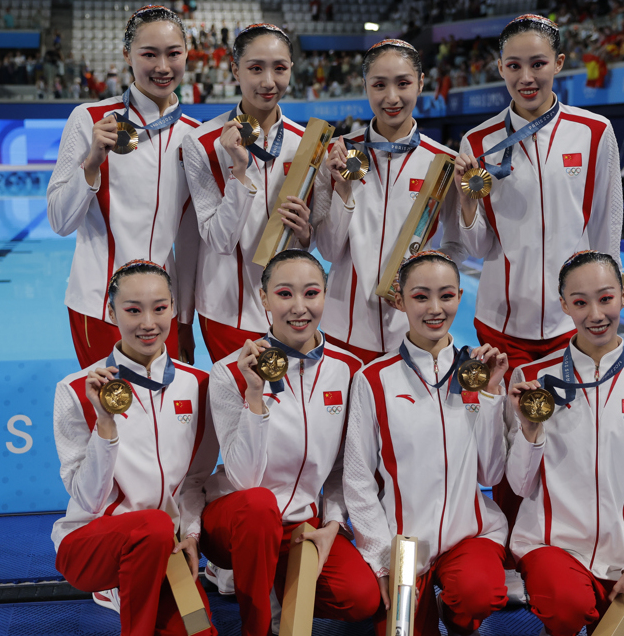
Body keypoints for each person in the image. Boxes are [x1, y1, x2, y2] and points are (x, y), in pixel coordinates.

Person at [454, 14, 622, 596]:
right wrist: (469, 195)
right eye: (515, 66)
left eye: (538, 63)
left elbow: (606, 228)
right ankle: (504, 554)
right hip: (500, 322)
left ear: (558, 64)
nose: (527, 76)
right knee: (503, 443)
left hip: (567, 325)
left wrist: (599, 310)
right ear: (500, 70)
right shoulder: (476, 143)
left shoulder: (593, 132)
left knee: (563, 442)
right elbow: (474, 245)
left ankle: (555, 548)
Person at [201, 250, 379, 636]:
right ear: (263, 299)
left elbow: (342, 469)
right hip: (239, 522)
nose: (299, 307)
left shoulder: (348, 371)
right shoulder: (229, 371)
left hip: (303, 526)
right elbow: (245, 478)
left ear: (325, 296)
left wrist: (333, 523)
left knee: (361, 598)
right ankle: (258, 623)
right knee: (260, 505)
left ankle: (277, 582)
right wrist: (254, 397)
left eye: (311, 293)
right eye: (284, 294)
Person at [505, 251, 624, 636]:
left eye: (605, 298)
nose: (595, 315)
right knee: (567, 605)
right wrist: (529, 430)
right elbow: (519, 485)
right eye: (581, 303)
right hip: (551, 547)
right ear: (564, 304)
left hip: (622, 557)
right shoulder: (532, 379)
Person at [344, 251, 511, 636]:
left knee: (478, 594)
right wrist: (383, 558)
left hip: (468, 536)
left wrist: (490, 394)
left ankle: (457, 615)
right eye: (421, 297)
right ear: (399, 300)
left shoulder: (477, 371)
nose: (435, 309)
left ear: (459, 296)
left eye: (447, 296)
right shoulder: (373, 380)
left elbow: (491, 471)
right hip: (403, 547)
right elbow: (357, 478)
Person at [51, 260, 219, 635]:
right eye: (133, 310)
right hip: (94, 546)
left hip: (167, 549)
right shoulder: (76, 390)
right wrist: (105, 424)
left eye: (160, 308)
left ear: (174, 309)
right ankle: (120, 597)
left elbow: (195, 481)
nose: (148, 323)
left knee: (199, 631)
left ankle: (145, 583)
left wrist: (190, 534)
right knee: (153, 524)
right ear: (110, 312)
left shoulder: (199, 386)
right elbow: (87, 499)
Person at [47, 6, 201, 369]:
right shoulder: (89, 119)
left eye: (173, 53)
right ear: (127, 55)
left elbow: (191, 240)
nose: (162, 66)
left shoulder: (194, 135)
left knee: (160, 421)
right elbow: (59, 221)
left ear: (186, 54)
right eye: (149, 54)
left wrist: (184, 317)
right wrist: (91, 164)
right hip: (100, 305)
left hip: (163, 312)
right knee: (110, 420)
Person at [313, 38, 465, 364]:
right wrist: (342, 190)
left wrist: (426, 282)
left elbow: (457, 248)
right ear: (365, 86)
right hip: (345, 331)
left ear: (421, 83)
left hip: (415, 333)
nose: (391, 97)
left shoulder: (445, 164)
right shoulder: (338, 154)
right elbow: (328, 250)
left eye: (403, 83)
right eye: (379, 85)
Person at [182, 23, 318, 363]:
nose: (268, 82)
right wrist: (238, 173)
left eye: (280, 68)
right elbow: (219, 241)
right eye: (255, 68)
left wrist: (305, 234)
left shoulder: (308, 144)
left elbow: (313, 241)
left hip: (292, 311)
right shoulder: (201, 143)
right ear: (234, 69)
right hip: (226, 311)